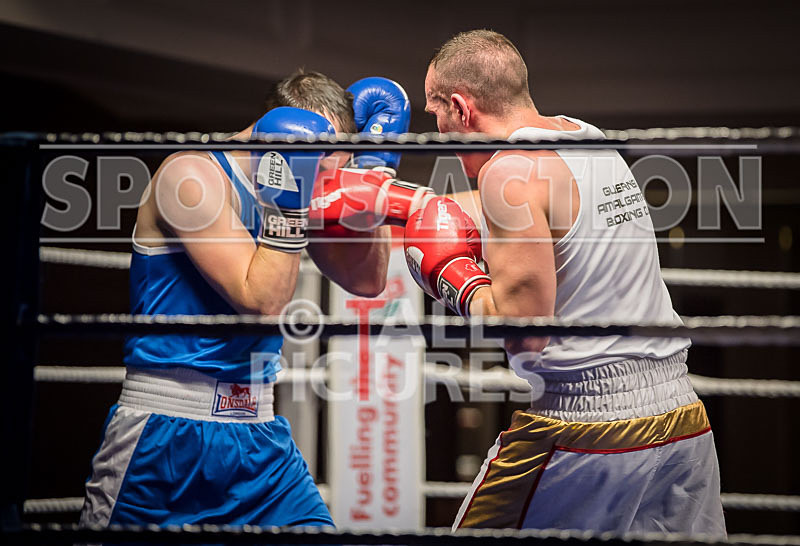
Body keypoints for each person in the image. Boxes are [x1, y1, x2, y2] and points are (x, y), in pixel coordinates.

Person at [404, 30, 726, 537]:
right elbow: (542, 215)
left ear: (461, 108)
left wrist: (451, 278)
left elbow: (525, 329)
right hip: (682, 415)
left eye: (435, 114)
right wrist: (401, 203)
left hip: (587, 424)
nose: (436, 128)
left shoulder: (505, 172)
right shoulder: (585, 137)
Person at [79, 70, 409, 527]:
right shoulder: (191, 176)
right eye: (317, 167)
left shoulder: (301, 177)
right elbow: (262, 301)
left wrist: (374, 176)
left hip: (259, 438)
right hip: (166, 437)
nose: (322, 183)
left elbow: (369, 279)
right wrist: (291, 204)